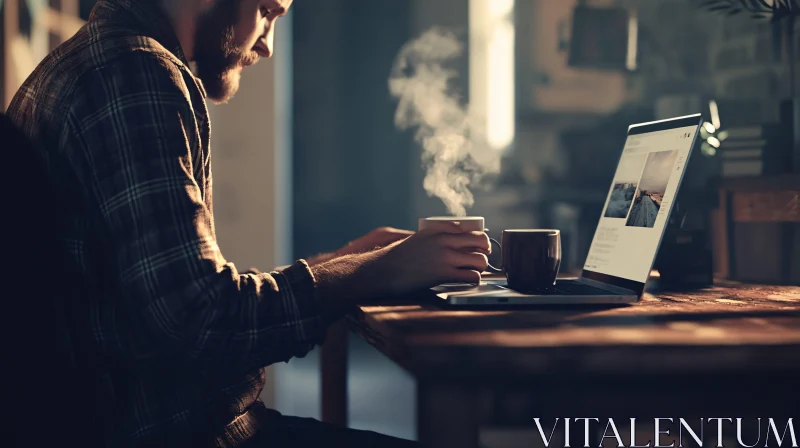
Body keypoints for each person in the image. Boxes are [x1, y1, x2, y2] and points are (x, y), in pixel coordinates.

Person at [6, 0, 490, 446]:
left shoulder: (86, 62)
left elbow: (174, 299)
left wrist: (348, 263)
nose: (268, 44)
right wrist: (373, 273)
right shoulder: (133, 73)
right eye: (266, 11)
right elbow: (201, 322)